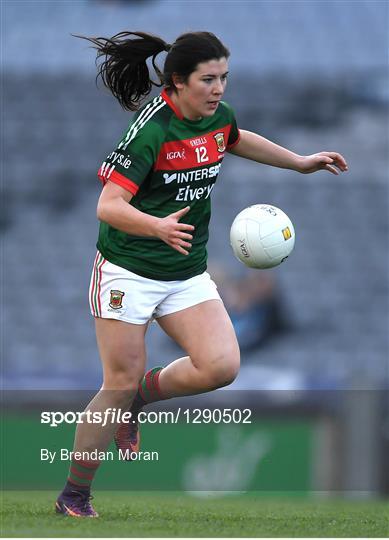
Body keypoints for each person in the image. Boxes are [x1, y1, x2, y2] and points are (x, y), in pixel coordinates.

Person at [55, 30, 348, 517]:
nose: (218, 89)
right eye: (208, 79)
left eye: (224, 78)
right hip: (128, 270)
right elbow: (107, 206)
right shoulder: (151, 131)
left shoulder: (218, 118)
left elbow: (235, 139)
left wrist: (298, 163)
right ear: (176, 83)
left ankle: (136, 403)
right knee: (118, 382)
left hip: (185, 271)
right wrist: (156, 227)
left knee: (221, 366)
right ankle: (75, 494)